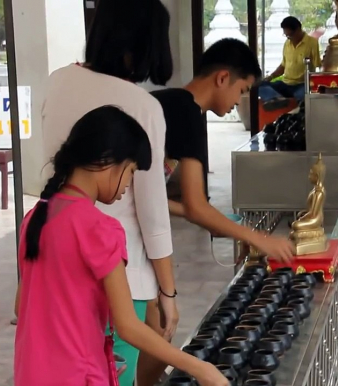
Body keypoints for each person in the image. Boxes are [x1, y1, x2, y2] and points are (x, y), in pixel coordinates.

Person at [13, 106, 228, 386]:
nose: (128, 184)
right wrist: (199, 368)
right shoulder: (100, 229)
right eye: (130, 171)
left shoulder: (35, 218)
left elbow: (22, 307)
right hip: (78, 376)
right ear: (107, 162)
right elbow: (128, 326)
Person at [139, 38, 296, 386]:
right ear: (222, 78)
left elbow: (149, 196)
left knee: (154, 329)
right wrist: (256, 237)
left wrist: (225, 226)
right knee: (159, 326)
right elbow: (197, 206)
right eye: (242, 90)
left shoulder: (166, 102)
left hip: (114, 224)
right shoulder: (187, 113)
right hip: (121, 240)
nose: (240, 100)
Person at [39, 1, 178, 384]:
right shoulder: (143, 106)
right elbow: (152, 215)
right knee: (117, 372)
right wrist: (168, 292)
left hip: (58, 264)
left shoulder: (57, 82)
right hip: (121, 273)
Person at [259, 16, 322, 104]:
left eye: (291, 35)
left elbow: (317, 66)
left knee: (302, 97)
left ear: (298, 29)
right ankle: (277, 99)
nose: (289, 38)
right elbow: (283, 66)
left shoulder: (312, 43)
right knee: (258, 85)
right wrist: (270, 77)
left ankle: (282, 103)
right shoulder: (287, 44)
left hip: (302, 84)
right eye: (286, 35)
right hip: (285, 84)